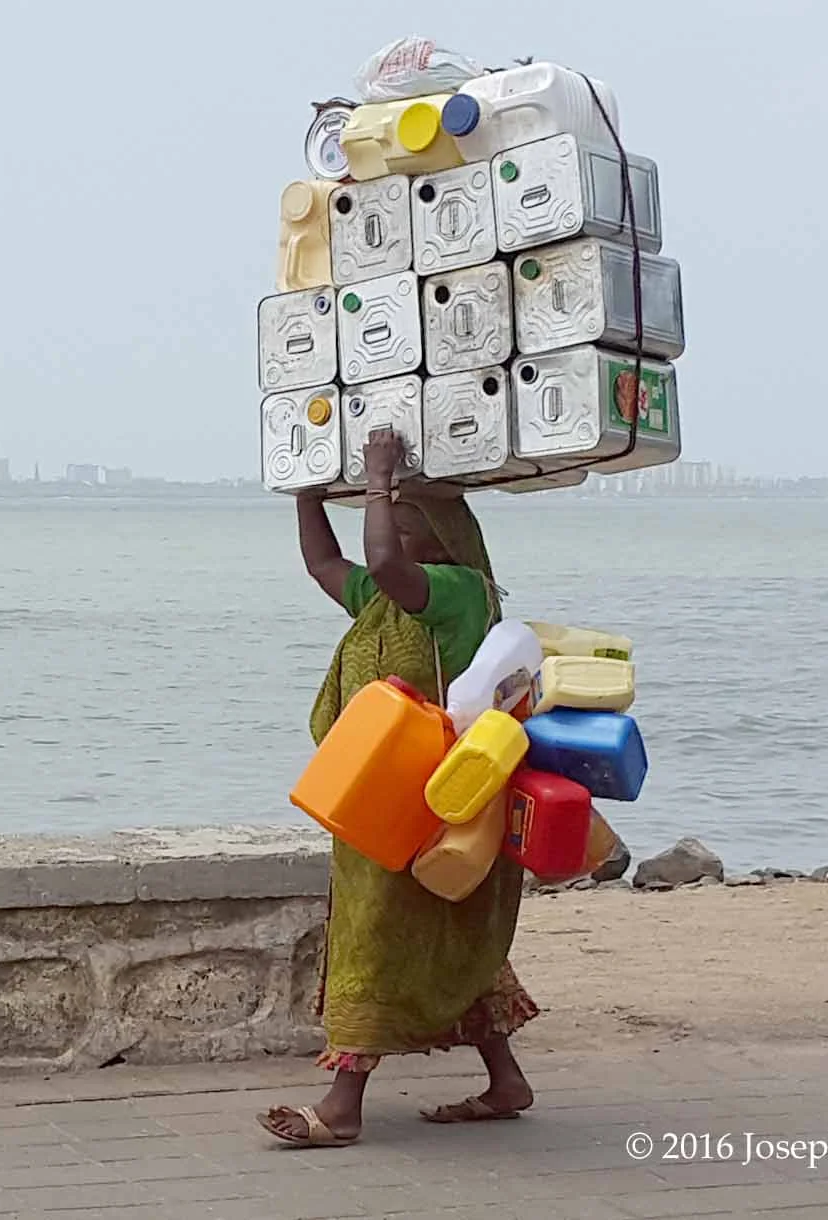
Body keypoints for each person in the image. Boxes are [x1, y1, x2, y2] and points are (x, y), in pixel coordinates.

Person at [259, 428, 539, 1147]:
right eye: (395, 514)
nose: (394, 526)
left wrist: (379, 473)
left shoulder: (455, 594)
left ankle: (343, 1105)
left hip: (434, 802)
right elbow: (326, 562)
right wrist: (308, 488)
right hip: (383, 797)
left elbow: (380, 560)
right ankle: (506, 1080)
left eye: (409, 517)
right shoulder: (389, 603)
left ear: (444, 532)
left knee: (375, 936)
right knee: (448, 937)